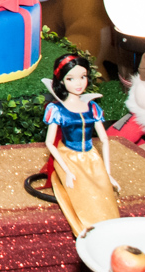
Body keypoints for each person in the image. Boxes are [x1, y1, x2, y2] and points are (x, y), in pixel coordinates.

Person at [38, 53, 120, 237]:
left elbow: (105, 140)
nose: (79, 83)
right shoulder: (57, 110)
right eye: (71, 78)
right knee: (84, 194)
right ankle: (88, 231)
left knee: (103, 192)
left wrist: (108, 173)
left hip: (91, 155)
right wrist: (66, 170)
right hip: (69, 156)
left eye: (83, 77)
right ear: (62, 81)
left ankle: (109, 231)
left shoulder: (92, 107)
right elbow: (49, 143)